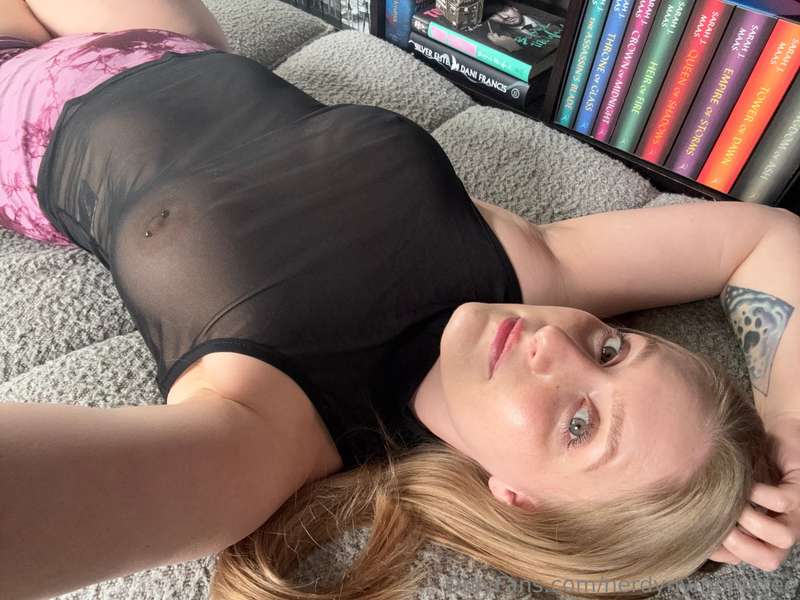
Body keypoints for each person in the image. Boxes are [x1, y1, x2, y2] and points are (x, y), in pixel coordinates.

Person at [0, 1, 798, 599]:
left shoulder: (271, 430)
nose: (554, 344)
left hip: (23, 114)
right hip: (172, 41)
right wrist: (787, 430)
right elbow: (765, 236)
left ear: (519, 501)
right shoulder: (531, 272)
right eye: (612, 350)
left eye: (580, 423)